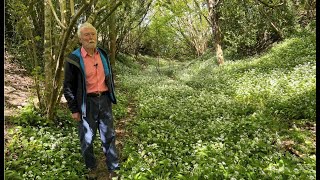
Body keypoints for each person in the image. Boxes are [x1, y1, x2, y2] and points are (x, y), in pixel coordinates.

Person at [63, 22, 120, 179]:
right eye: (86, 34)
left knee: (109, 135)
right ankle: (91, 168)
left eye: (93, 34)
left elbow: (109, 76)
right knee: (87, 138)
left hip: (105, 99)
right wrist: (74, 109)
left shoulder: (103, 54)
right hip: (86, 103)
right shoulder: (73, 59)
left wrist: (111, 92)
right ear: (80, 38)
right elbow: (67, 86)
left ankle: (113, 168)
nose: (90, 37)